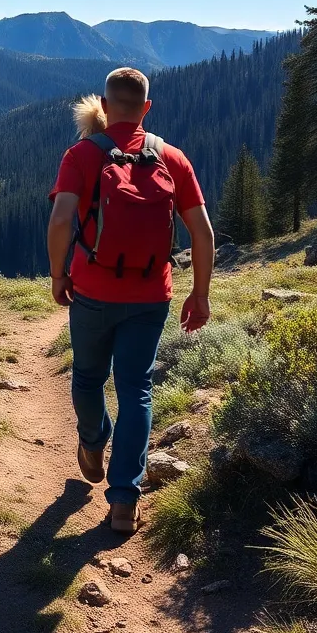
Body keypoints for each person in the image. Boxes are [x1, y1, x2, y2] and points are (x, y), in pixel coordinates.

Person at [47, 68, 214, 534]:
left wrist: (59, 274)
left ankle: (93, 439)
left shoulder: (81, 155)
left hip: (93, 291)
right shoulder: (172, 158)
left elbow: (61, 220)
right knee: (136, 389)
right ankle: (124, 500)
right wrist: (199, 295)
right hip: (150, 295)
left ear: (103, 103)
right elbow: (202, 233)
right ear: (146, 107)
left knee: (88, 375)